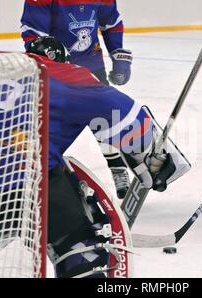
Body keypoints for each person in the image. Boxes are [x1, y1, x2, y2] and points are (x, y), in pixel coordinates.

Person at [0, 37, 188, 277]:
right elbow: (131, 122)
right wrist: (156, 158)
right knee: (79, 243)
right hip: (23, 185)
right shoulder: (66, 74)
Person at [20, 0, 133, 199]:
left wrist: (117, 53)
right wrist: (52, 59)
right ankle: (42, 172)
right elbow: (33, 33)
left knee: (106, 120)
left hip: (91, 65)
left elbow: (111, 22)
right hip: (55, 69)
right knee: (48, 123)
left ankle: (118, 167)